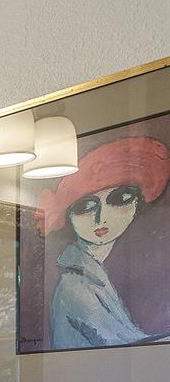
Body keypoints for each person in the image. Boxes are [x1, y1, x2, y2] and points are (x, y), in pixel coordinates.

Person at [36, 136, 170, 350]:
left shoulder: (94, 273)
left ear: (137, 203)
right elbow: (125, 348)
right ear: (69, 216)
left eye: (120, 198)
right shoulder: (74, 285)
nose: (101, 218)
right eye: (86, 206)